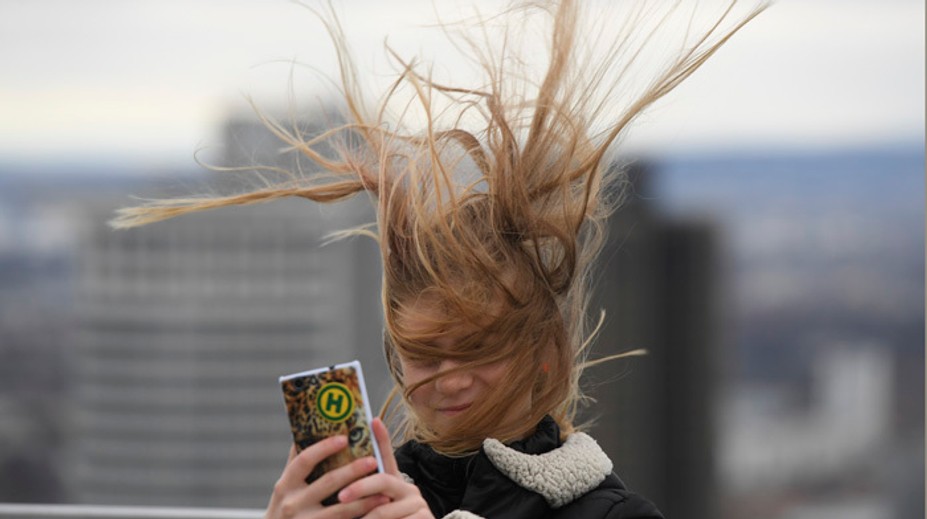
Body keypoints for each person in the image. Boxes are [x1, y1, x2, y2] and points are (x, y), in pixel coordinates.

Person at [112, 1, 764, 517]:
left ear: (543, 350)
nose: (447, 379)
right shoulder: (364, 494)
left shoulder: (612, 513)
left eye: (476, 349)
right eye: (424, 354)